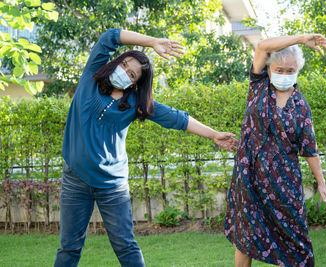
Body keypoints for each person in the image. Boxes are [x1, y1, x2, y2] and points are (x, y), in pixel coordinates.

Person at [54, 28, 238, 267]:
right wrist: (152, 42)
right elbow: (110, 36)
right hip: (75, 181)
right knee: (69, 247)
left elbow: (176, 118)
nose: (125, 74)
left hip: (112, 187)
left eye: (132, 75)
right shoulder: (90, 77)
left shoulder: (133, 103)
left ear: (134, 84)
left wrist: (214, 135)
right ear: (116, 62)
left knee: (125, 246)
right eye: (124, 67)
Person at [224, 34, 326, 267]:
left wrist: (321, 182)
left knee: (297, 241)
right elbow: (262, 46)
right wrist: (302, 39)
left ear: (297, 71)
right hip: (250, 175)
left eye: (290, 70)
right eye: (279, 69)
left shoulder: (301, 105)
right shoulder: (258, 86)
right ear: (269, 70)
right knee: (246, 236)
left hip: (284, 181)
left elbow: (309, 148)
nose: (284, 74)